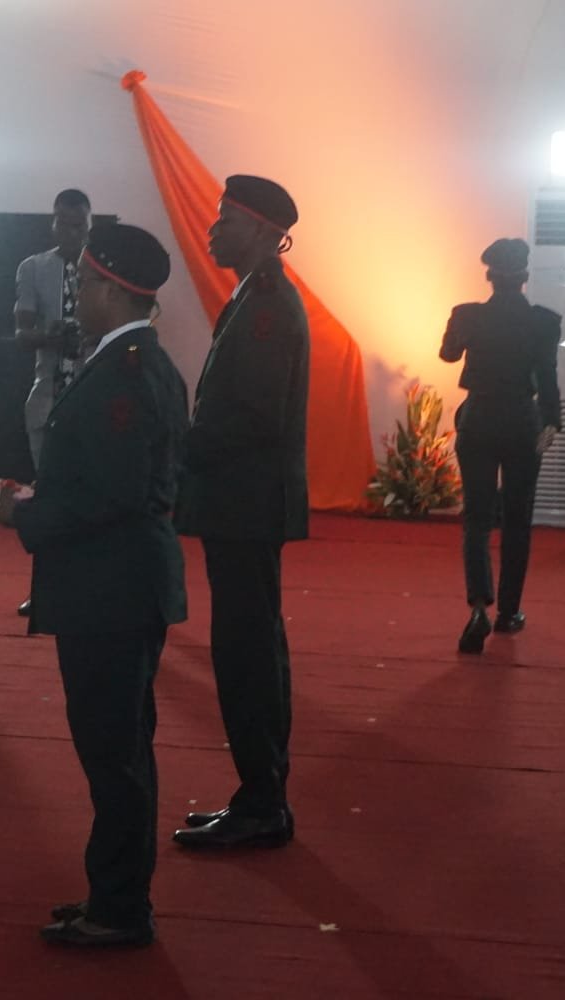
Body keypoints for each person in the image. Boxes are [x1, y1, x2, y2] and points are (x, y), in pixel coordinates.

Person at [0, 223, 188, 948]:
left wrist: (23, 515)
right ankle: (115, 893)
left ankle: (120, 908)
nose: (78, 295)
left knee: (114, 753)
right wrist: (43, 496)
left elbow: (110, 495)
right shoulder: (138, 363)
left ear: (109, 289)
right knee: (119, 748)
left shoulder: (124, 374)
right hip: (121, 584)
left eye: (85, 283)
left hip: (111, 589)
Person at [172, 176, 308, 851]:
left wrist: (178, 445)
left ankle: (261, 803)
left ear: (259, 230)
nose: (213, 230)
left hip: (245, 502)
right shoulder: (256, 293)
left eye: (224, 219)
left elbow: (253, 417)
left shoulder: (268, 305)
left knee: (246, 654)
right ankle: (262, 793)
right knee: (252, 647)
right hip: (242, 501)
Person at [440, 238, 562, 653]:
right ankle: (508, 612)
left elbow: (447, 355)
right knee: (517, 517)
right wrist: (552, 423)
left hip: (478, 417)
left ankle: (478, 605)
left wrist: (457, 329)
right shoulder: (544, 321)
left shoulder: (467, 314)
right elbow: (547, 377)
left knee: (476, 517)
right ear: (524, 277)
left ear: (489, 276)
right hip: (522, 420)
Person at [13, 190, 94, 617]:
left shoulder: (101, 268)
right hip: (47, 397)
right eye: (64, 223)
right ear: (53, 223)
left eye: (80, 225)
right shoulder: (32, 268)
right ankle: (44, 588)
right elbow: (21, 334)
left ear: (90, 225)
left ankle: (89, 585)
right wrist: (51, 336)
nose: (72, 232)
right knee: (47, 497)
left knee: (92, 497)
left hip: (93, 401)